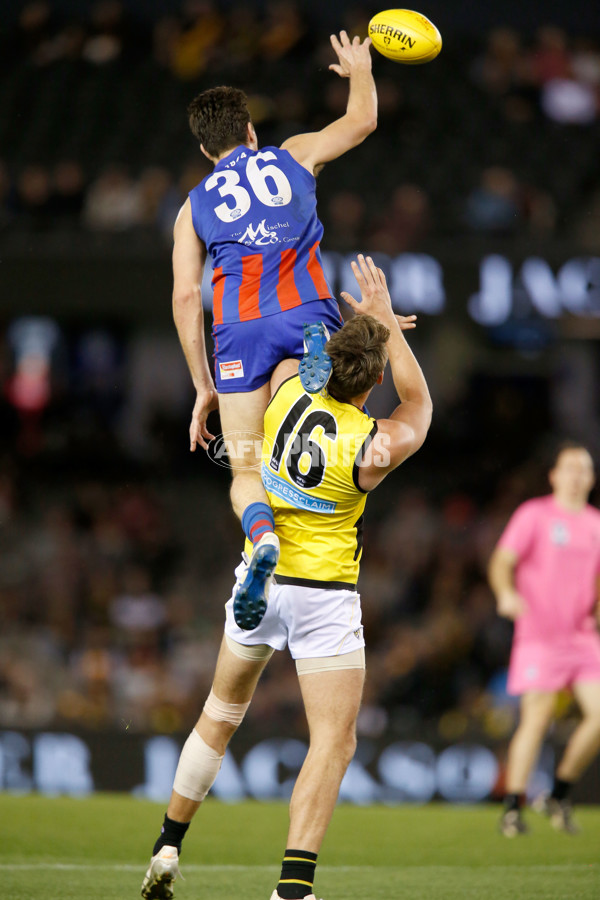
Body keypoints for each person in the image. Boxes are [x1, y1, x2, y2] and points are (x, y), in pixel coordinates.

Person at [140, 255, 432, 900]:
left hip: (263, 576)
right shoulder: (372, 444)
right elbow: (419, 403)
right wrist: (388, 323)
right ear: (373, 380)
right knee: (332, 741)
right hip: (324, 594)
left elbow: (295, 355)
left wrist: (348, 334)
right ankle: (292, 890)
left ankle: (167, 844)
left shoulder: (286, 389)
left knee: (219, 714)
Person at [172, 31, 377, 631]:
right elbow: (361, 120)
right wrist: (359, 70)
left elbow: (187, 296)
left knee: (244, 467)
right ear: (250, 132)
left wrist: (202, 384)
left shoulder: (192, 206)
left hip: (239, 333)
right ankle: (309, 372)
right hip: (307, 308)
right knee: (317, 401)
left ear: (207, 150)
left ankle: (262, 539)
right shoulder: (292, 154)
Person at [489, 443, 600, 836]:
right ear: (554, 475)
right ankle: (513, 806)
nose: (576, 475)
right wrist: (506, 593)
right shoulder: (534, 515)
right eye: (569, 467)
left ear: (591, 478)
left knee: (599, 716)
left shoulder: (595, 524)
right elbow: (502, 561)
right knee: (536, 719)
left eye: (583, 469)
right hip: (539, 635)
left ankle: (559, 791)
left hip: (583, 638)